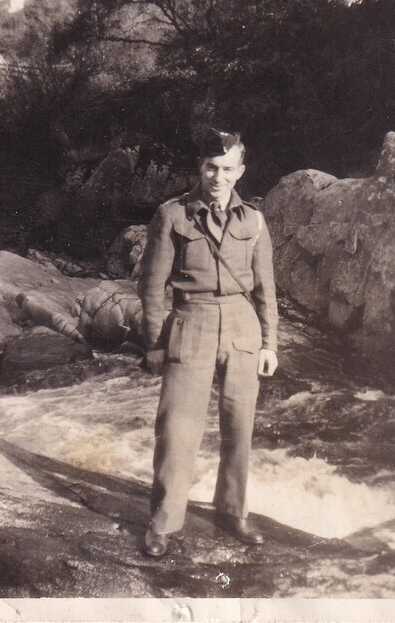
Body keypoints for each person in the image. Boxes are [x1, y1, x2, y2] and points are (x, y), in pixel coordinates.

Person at [138, 128, 278, 558]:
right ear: (200, 168)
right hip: (190, 321)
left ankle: (232, 511)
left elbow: (265, 290)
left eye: (227, 169)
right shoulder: (173, 215)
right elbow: (151, 287)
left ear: (240, 172)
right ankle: (164, 521)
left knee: (239, 427)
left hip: (241, 328)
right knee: (177, 429)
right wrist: (155, 343)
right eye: (211, 167)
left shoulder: (253, 220)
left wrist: (270, 343)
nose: (218, 177)